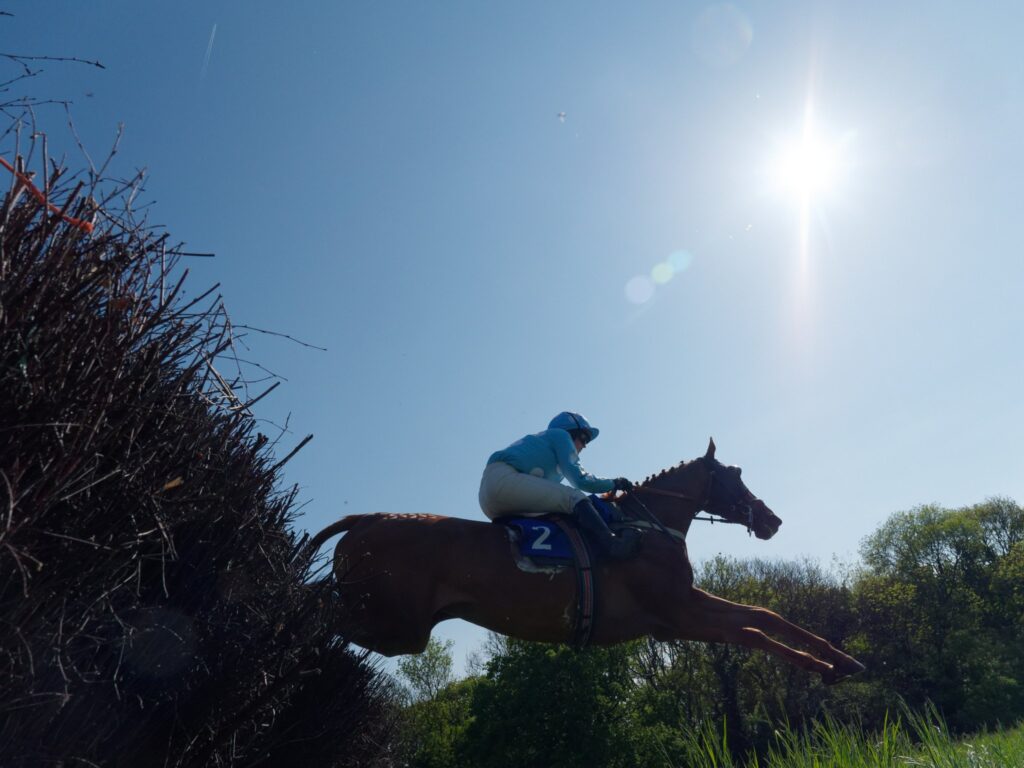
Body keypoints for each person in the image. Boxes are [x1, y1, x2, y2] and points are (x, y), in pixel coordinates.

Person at [479, 411, 641, 559]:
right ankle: (612, 545)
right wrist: (613, 483)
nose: (584, 446)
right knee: (574, 497)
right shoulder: (561, 435)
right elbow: (581, 481)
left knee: (562, 512)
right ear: (571, 432)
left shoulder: (546, 450)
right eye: (584, 438)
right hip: (503, 482)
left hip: (490, 499)